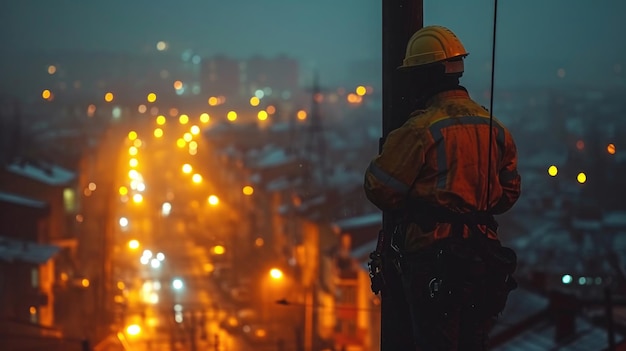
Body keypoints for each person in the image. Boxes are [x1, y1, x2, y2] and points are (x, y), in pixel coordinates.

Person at [364, 25, 522, 350]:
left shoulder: (420, 129)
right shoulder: (493, 127)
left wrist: (423, 200)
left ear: (423, 76)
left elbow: (379, 189)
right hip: (483, 259)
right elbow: (508, 195)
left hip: (433, 259)